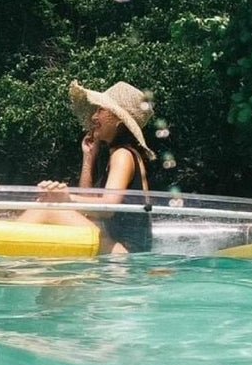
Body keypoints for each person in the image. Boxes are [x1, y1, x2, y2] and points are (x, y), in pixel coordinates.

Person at [22, 80, 158, 254]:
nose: (94, 117)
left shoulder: (122, 155)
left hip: (124, 253)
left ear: (118, 119)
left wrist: (65, 198)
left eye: (101, 110)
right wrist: (88, 159)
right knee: (50, 207)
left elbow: (109, 207)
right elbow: (90, 210)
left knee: (48, 209)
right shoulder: (117, 154)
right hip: (116, 248)